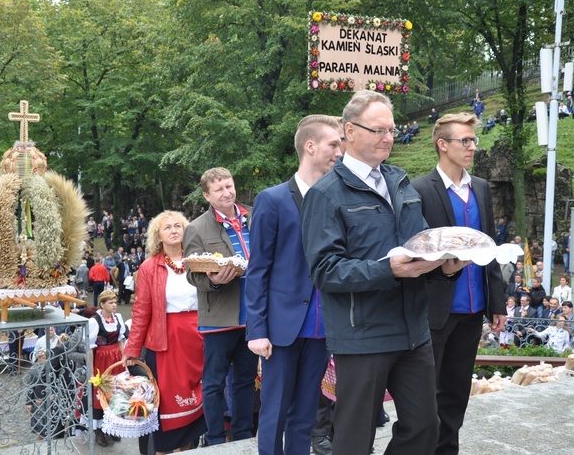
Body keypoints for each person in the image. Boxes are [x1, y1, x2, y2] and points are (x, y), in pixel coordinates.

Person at [301, 90, 461, 455]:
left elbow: (420, 248)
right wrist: (386, 270)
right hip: (362, 337)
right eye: (378, 130)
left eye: (391, 129)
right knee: (354, 441)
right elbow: (325, 271)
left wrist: (446, 266)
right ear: (349, 133)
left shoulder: (400, 182)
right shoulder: (326, 194)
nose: (388, 138)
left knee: (424, 429)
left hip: (413, 332)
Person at [244, 115, 341, 455]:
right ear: (310, 146)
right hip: (281, 328)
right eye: (334, 144)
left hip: (322, 326)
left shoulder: (336, 197)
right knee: (274, 413)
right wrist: (256, 330)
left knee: (305, 415)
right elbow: (258, 269)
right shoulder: (272, 199)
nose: (339, 151)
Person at [411, 112, 506, 455]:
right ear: (442, 145)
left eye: (473, 140)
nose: (471, 147)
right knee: (425, 396)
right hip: (435, 308)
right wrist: (443, 267)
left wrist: (497, 302)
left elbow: (489, 245)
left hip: (474, 307)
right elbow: (414, 249)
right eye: (464, 141)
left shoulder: (479, 187)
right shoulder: (420, 189)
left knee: (456, 393)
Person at [122, 210, 206, 454]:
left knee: (199, 400)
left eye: (178, 225)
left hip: (198, 338)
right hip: (166, 340)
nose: (173, 230)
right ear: (158, 235)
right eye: (167, 227)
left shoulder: (198, 260)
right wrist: (132, 349)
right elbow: (141, 311)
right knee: (166, 405)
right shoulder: (149, 267)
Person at [183, 167, 255, 446]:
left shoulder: (255, 215)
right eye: (219, 189)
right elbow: (192, 271)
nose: (227, 193)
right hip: (219, 318)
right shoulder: (196, 227)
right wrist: (212, 280)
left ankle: (243, 435)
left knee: (246, 380)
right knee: (214, 383)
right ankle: (214, 439)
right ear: (207, 195)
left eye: (229, 186)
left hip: (254, 315)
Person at [88, 289, 128, 447]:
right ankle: (100, 431)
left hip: (116, 359)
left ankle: (113, 428)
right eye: (110, 303)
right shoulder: (94, 321)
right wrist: (91, 371)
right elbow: (90, 348)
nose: (114, 305)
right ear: (102, 304)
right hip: (102, 361)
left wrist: (124, 360)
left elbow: (120, 341)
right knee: (102, 394)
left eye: (115, 302)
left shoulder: (117, 318)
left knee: (117, 393)